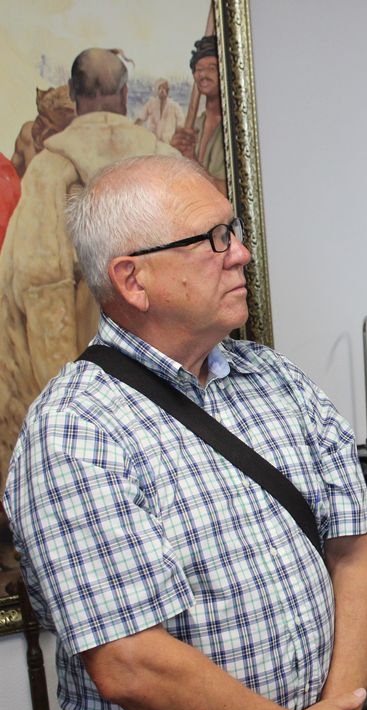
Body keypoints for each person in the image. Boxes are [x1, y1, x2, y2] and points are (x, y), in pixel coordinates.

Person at [4, 154, 367, 710]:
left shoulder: (279, 378)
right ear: (133, 280)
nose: (241, 253)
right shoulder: (74, 428)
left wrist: (341, 705)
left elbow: (354, 557)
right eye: (213, 238)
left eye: (233, 230)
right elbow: (130, 662)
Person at [0, 48, 179, 494]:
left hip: (85, 393)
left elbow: (38, 282)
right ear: (124, 95)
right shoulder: (167, 161)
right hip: (173, 392)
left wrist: (61, 400)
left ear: (75, 96)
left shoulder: (49, 170)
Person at [171, 36, 227, 194]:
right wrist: (174, 155)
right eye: (199, 69)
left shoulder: (233, 128)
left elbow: (228, 192)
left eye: (212, 68)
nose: (203, 75)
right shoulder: (195, 125)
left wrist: (191, 160)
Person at [138, 78, 185, 144]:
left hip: (168, 143)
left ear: (168, 90)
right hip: (152, 141)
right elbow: (141, 118)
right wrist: (132, 130)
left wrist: (176, 138)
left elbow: (181, 123)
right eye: (161, 88)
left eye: (165, 88)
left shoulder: (174, 105)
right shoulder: (150, 103)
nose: (163, 90)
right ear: (157, 89)